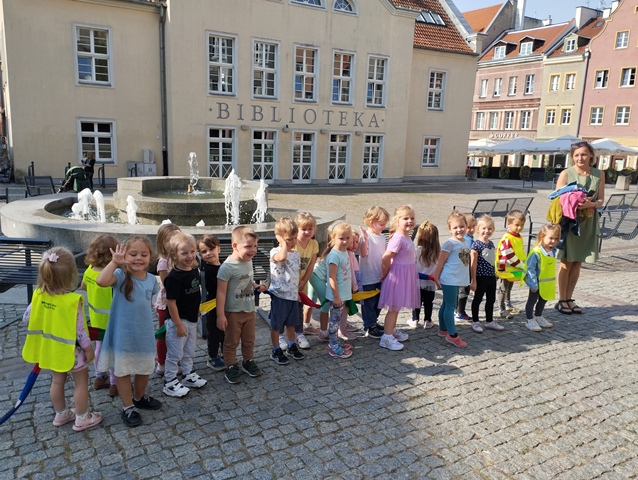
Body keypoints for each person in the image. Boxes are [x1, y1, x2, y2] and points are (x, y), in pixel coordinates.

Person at [22, 247, 103, 432]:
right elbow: (80, 331)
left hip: (51, 350)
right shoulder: (72, 301)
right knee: (81, 382)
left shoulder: (38, 295)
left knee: (57, 381)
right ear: (71, 274)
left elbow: (26, 317)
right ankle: (82, 418)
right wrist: (89, 349)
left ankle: (61, 413)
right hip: (72, 352)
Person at [96, 236, 161, 428]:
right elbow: (101, 281)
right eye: (133, 254)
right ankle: (128, 406)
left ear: (151, 256)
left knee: (144, 368)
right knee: (122, 370)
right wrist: (115, 261)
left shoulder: (151, 279)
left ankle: (139, 397)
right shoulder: (121, 275)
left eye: (143, 254)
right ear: (125, 255)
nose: (138, 258)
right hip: (121, 334)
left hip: (143, 334)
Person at [555, 141, 604, 315]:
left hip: (589, 221)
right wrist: (576, 203)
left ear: (591, 155)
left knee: (578, 261)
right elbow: (557, 198)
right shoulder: (566, 173)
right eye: (576, 155)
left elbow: (601, 200)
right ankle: (561, 300)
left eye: (583, 154)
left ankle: (569, 298)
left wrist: (590, 203)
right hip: (570, 222)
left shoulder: (599, 174)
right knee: (566, 261)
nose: (580, 158)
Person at [216, 226, 268, 384]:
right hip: (233, 312)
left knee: (249, 339)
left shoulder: (248, 261)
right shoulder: (227, 267)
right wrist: (220, 315)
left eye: (255, 246)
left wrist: (255, 286)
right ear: (234, 246)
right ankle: (231, 365)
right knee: (231, 342)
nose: (253, 250)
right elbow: (221, 292)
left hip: (249, 309)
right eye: (248, 246)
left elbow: (245, 279)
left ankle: (248, 361)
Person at [163, 232, 207, 397]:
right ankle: (170, 381)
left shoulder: (193, 270)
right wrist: (178, 324)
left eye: (192, 251)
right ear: (174, 255)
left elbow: (194, 293)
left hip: (191, 318)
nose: (190, 256)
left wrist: (196, 310)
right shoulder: (174, 277)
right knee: (175, 353)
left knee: (189, 349)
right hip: (177, 321)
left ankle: (188, 374)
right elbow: (171, 302)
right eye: (184, 253)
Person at [80, 234, 119, 397]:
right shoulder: (112, 275)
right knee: (113, 352)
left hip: (96, 320)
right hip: (112, 321)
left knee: (99, 348)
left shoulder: (89, 271)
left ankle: (99, 377)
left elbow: (83, 287)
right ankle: (114, 383)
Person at [378, 205, 420, 350]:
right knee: (394, 308)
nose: (410, 221)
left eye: (412, 218)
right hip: (397, 276)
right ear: (397, 221)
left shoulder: (406, 236)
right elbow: (386, 257)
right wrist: (384, 273)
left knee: (396, 307)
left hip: (405, 275)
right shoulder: (398, 238)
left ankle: (391, 329)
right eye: (405, 218)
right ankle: (386, 338)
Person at [431, 211, 472, 348]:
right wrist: (436, 277)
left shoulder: (466, 241)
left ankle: (443, 329)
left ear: (466, 226)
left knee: (446, 304)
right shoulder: (450, 244)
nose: (459, 230)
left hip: (457, 278)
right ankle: (452, 335)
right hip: (449, 278)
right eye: (455, 228)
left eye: (461, 226)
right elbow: (441, 262)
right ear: (449, 230)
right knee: (451, 306)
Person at [270, 217, 305, 365]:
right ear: (279, 239)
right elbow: (282, 258)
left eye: (294, 238)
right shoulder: (275, 251)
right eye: (289, 239)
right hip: (280, 295)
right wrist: (283, 243)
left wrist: (297, 293)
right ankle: (276, 349)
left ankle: (291, 345)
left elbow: (295, 273)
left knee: (292, 323)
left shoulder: (296, 254)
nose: (293, 242)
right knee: (277, 325)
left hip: (292, 296)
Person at [153, 223, 182, 376]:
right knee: (164, 334)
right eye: (168, 240)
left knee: (177, 334)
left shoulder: (180, 257)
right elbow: (168, 286)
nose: (172, 243)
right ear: (162, 243)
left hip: (180, 302)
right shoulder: (164, 262)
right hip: (166, 304)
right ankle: (162, 363)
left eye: (175, 239)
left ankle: (175, 360)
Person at [358, 206, 390, 339]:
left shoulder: (382, 237)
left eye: (384, 224)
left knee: (378, 302)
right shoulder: (366, 237)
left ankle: (373, 322)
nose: (384, 226)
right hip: (367, 277)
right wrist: (365, 239)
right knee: (369, 303)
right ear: (372, 222)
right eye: (381, 224)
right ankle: (369, 325)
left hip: (379, 275)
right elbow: (363, 253)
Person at [325, 222, 355, 358]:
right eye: (341, 238)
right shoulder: (334, 256)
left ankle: (336, 342)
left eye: (348, 238)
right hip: (337, 296)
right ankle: (333, 347)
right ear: (333, 238)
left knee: (337, 321)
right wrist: (336, 296)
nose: (345, 241)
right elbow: (332, 277)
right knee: (334, 322)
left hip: (343, 294)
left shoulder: (344, 252)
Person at [470, 216, 504, 333]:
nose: (486, 231)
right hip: (480, 276)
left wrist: (495, 273)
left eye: (489, 228)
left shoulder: (491, 244)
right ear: (478, 229)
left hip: (490, 276)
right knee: (478, 299)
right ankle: (475, 321)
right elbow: (473, 264)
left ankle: (489, 321)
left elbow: (492, 260)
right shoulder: (476, 245)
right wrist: (473, 280)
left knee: (491, 299)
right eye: (484, 228)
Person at [524, 224, 561, 331]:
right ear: (542, 237)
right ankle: (529, 319)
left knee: (543, 300)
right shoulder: (536, 253)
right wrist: (533, 284)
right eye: (551, 238)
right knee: (532, 301)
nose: (553, 241)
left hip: (546, 283)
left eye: (556, 239)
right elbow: (530, 269)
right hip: (536, 283)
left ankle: (538, 316)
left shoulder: (553, 251)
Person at [198, 234, 225, 371]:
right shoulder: (207, 270)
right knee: (214, 332)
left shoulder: (225, 265)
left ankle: (225, 354)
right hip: (213, 306)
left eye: (211, 249)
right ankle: (212, 357)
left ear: (218, 249)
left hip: (226, 305)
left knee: (226, 332)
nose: (208, 253)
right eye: (204, 251)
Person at [495, 210, 527, 318]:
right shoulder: (507, 238)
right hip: (505, 267)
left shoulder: (518, 236)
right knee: (503, 288)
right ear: (509, 224)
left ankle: (508, 304)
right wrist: (521, 265)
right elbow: (508, 254)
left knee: (509, 286)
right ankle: (501, 308)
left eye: (522, 225)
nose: (520, 228)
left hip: (514, 267)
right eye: (517, 225)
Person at [409, 220, 440, 330]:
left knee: (416, 302)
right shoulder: (437, 252)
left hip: (417, 281)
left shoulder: (416, 250)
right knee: (428, 302)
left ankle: (415, 319)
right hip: (431, 283)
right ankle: (428, 320)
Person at [296, 212, 320, 340]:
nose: (307, 232)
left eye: (310, 229)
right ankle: (285, 334)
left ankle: (300, 331)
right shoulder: (293, 243)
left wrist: (304, 280)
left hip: (303, 281)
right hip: (291, 281)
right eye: (303, 229)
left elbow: (311, 264)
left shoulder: (313, 244)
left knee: (300, 306)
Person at [455, 213, 475, 323]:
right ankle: (460, 312)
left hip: (462, 270)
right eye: (469, 227)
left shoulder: (467, 238)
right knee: (463, 291)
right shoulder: (468, 240)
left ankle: (458, 310)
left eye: (473, 226)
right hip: (466, 270)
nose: (471, 229)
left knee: (461, 291)